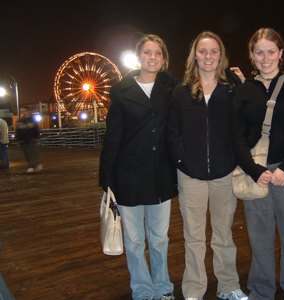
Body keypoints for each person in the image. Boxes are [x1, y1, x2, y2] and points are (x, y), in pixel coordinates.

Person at [232, 28, 284, 299]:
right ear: (251, 56)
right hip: (256, 173)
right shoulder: (244, 90)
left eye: (271, 51)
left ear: (281, 53)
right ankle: (261, 291)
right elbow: (237, 137)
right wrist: (254, 171)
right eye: (259, 52)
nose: (265, 58)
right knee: (260, 240)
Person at [167, 31, 247, 300]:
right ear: (195, 55)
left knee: (224, 236)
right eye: (203, 51)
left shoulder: (231, 90)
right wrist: (183, 160)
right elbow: (173, 131)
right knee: (194, 237)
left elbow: (248, 122)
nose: (208, 56)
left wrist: (243, 85)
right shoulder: (180, 92)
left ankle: (228, 286)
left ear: (221, 55)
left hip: (224, 174)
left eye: (214, 51)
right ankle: (194, 290)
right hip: (191, 176)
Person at [99, 34, 178, 300]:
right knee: (133, 242)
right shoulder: (122, 91)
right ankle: (142, 290)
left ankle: (163, 287)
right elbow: (113, 136)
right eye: (147, 52)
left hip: (160, 175)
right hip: (128, 176)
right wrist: (107, 177)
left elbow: (203, 92)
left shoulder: (172, 88)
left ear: (164, 58)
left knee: (159, 239)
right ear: (139, 56)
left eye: (158, 53)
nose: (152, 57)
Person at [16, 108, 43, 173]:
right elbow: (18, 131)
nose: (23, 112)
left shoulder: (32, 120)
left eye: (24, 111)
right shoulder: (20, 121)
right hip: (24, 140)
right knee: (27, 154)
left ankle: (32, 166)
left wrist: (35, 137)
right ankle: (36, 164)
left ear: (28, 111)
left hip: (31, 139)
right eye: (22, 111)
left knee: (31, 152)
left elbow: (36, 129)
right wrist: (19, 139)